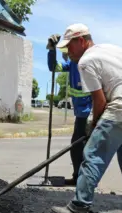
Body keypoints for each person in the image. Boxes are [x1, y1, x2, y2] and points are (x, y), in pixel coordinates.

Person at [50, 23, 122, 213]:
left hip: (120, 109)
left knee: (93, 155)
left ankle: (79, 207)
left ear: (81, 40)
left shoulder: (85, 62)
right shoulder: (113, 49)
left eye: (69, 46)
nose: (68, 52)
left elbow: (99, 101)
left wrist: (93, 125)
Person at [46, 34, 92, 186]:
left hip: (90, 113)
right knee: (77, 146)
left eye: (69, 49)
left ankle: (84, 180)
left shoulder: (88, 63)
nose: (68, 53)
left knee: (84, 147)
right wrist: (52, 51)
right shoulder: (72, 64)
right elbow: (54, 67)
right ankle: (79, 177)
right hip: (80, 113)